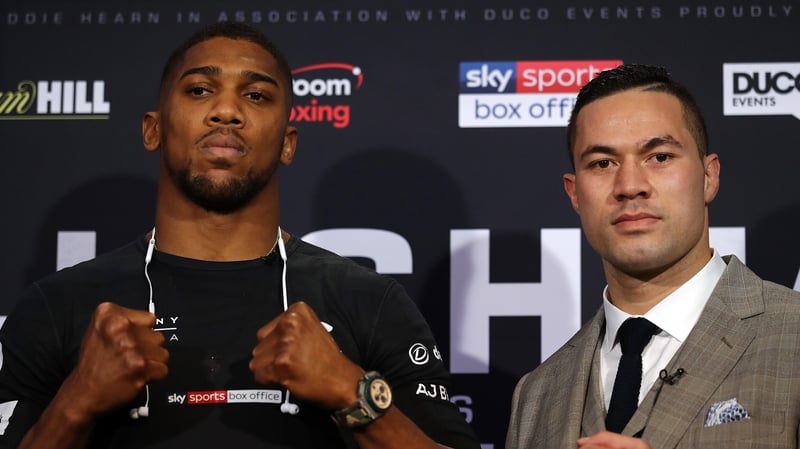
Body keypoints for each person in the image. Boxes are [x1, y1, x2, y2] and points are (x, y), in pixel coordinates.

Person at [0, 22, 480, 449]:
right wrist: (76, 402)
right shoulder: (58, 307)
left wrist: (351, 392)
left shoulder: (369, 303)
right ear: (153, 130)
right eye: (199, 90)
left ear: (288, 143)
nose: (226, 110)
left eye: (256, 96)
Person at [506, 64, 800, 449]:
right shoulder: (536, 396)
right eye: (602, 163)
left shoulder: (792, 335)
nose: (630, 186)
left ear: (709, 177)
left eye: (659, 157)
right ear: (574, 193)